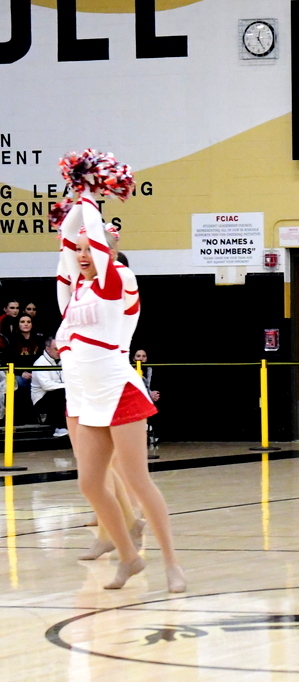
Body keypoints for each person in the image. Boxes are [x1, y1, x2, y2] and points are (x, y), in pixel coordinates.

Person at [55, 179, 185, 592]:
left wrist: (91, 193)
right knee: (90, 483)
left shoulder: (116, 281)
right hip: (89, 399)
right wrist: (76, 199)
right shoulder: (76, 291)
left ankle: (172, 564)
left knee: (136, 480)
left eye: (89, 250)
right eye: (78, 252)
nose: (82, 255)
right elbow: (67, 238)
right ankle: (129, 557)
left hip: (119, 392)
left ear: (107, 253)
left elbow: (94, 238)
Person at [32, 338, 68, 437]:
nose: (59, 351)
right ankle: (59, 427)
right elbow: (47, 386)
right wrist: (68, 386)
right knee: (60, 393)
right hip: (40, 400)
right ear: (47, 349)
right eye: (56, 349)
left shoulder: (62, 361)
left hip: (56, 395)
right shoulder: (40, 363)